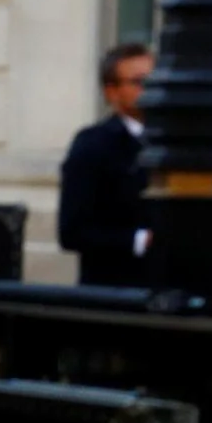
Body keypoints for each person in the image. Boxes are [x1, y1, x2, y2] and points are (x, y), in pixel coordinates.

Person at [56, 41, 152, 288]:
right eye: (140, 82)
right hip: (113, 291)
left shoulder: (173, 140)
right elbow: (72, 231)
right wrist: (139, 240)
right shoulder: (93, 144)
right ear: (112, 92)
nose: (151, 89)